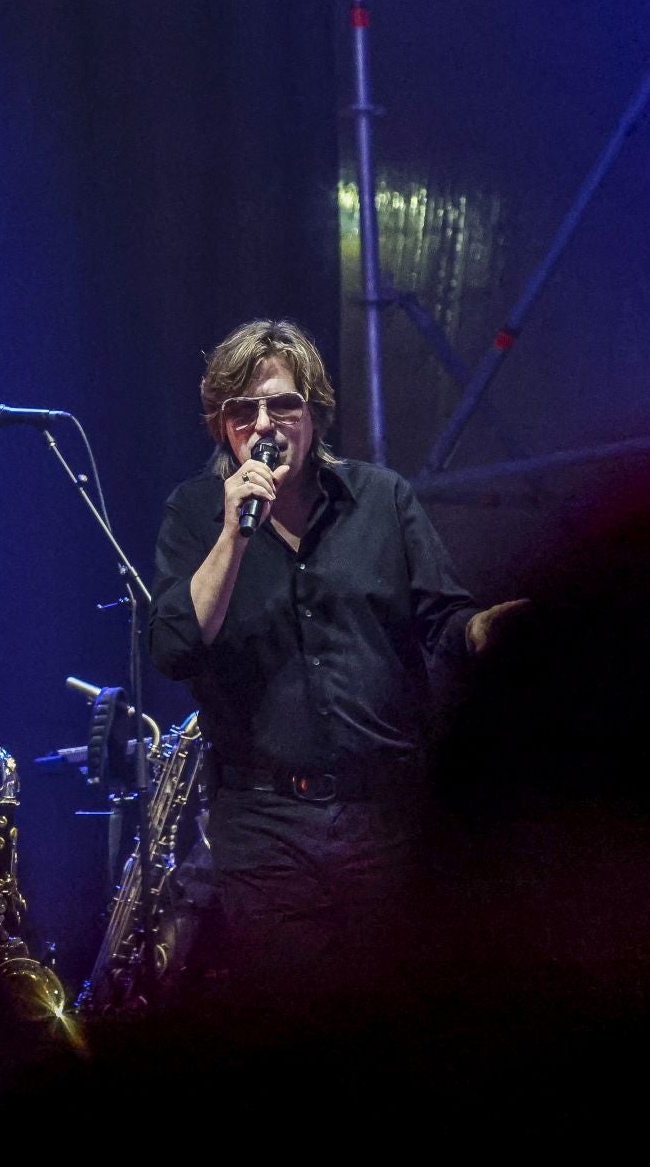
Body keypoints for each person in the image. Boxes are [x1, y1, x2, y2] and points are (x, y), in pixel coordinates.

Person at [148, 319, 519, 993]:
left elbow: (444, 621)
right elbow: (174, 646)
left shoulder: (382, 500)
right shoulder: (197, 513)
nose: (265, 422)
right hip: (265, 828)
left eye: (283, 404)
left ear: (312, 413)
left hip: (387, 817)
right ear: (222, 426)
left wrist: (486, 629)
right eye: (244, 410)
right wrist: (234, 534)